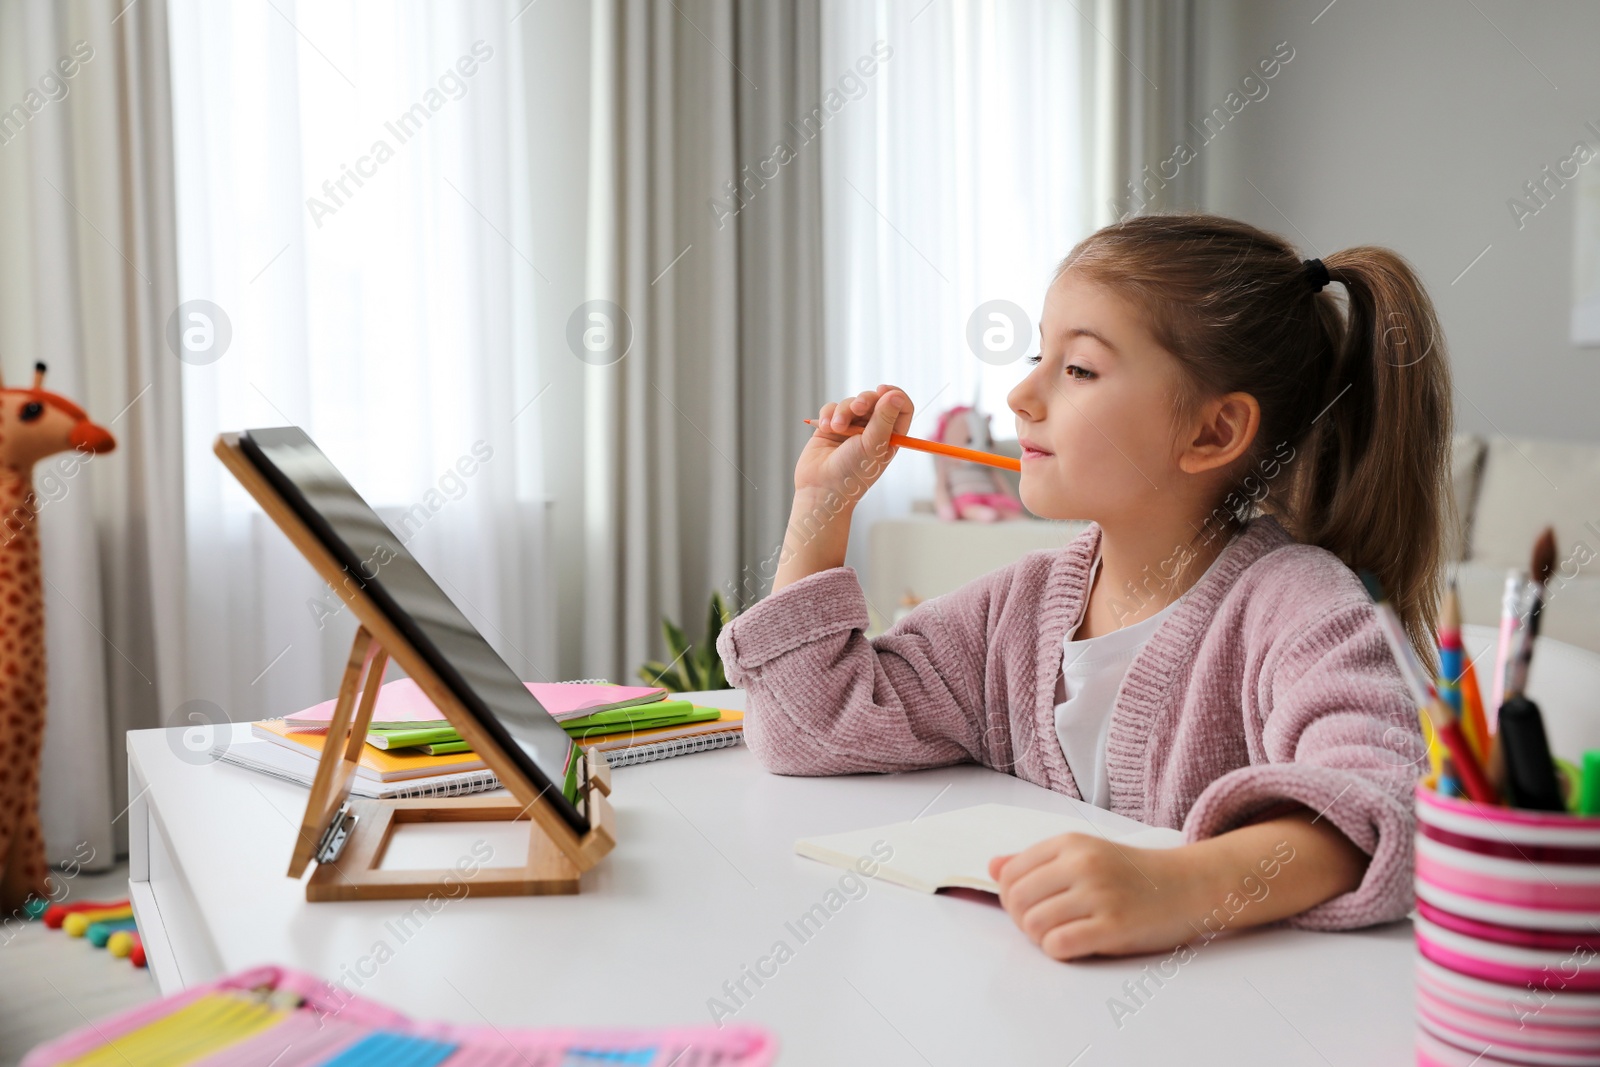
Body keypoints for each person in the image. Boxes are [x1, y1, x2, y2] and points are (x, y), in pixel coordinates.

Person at [715, 213, 1446, 960]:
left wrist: (1176, 886)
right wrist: (822, 506)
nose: (1022, 395)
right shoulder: (1017, 608)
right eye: (1040, 354)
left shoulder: (1299, 607)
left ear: (1213, 433)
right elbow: (812, 727)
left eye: (1079, 369)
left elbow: (1392, 806)